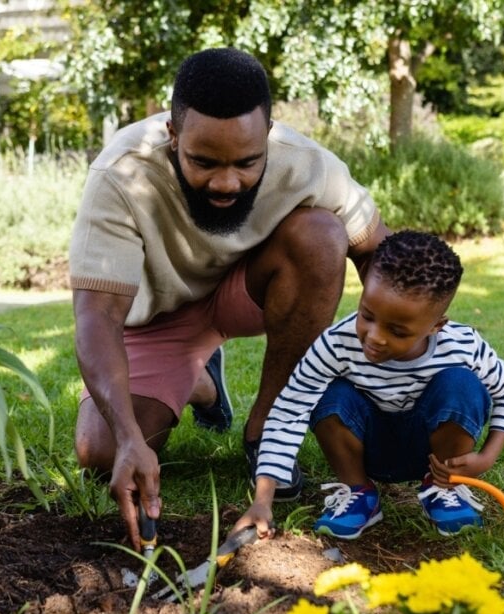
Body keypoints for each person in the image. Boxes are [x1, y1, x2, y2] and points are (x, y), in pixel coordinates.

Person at [70, 47, 389, 550]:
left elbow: (381, 256)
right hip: (157, 318)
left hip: (247, 292)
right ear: (173, 136)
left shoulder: (308, 164)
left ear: (267, 136)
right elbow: (96, 317)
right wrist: (130, 435)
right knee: (99, 450)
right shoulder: (122, 173)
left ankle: (266, 431)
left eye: (246, 162)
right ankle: (201, 383)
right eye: (203, 162)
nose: (226, 182)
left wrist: (404, 354)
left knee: (322, 235)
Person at [233, 230, 504, 540]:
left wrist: (487, 457)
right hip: (364, 447)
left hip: (433, 452)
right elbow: (289, 409)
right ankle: (359, 494)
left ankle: (443, 489)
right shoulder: (336, 344)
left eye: (398, 331)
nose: (374, 337)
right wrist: (262, 500)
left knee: (462, 384)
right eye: (367, 315)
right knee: (329, 394)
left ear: (435, 326)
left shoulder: (462, 345)